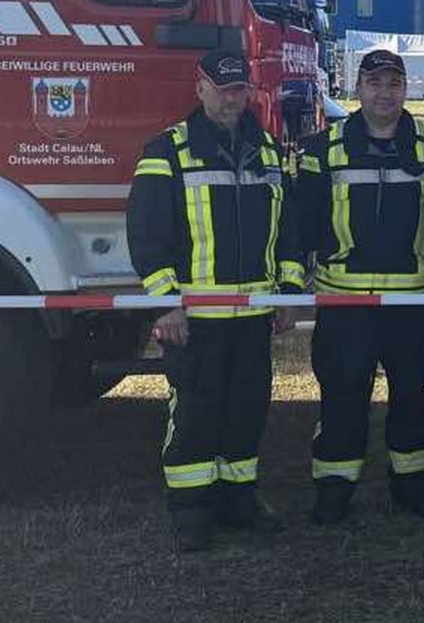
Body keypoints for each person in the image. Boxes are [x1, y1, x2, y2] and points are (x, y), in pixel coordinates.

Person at [127, 51, 301, 553]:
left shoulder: (266, 150)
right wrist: (165, 304)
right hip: (195, 319)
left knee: (247, 411)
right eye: (222, 89)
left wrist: (288, 292)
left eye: (239, 89)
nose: (232, 99)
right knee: (197, 414)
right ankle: (190, 509)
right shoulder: (169, 151)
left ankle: (238, 500)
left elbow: (286, 231)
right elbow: (146, 233)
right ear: (200, 88)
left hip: (252, 316)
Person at [286, 49, 424, 525]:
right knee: (342, 397)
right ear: (358, 89)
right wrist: (294, 285)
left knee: (415, 397)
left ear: (405, 89)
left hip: (410, 300)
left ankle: (414, 488)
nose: (385, 93)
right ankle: (334, 493)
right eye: (375, 83)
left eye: (394, 83)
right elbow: (300, 223)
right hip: (345, 300)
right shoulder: (324, 148)